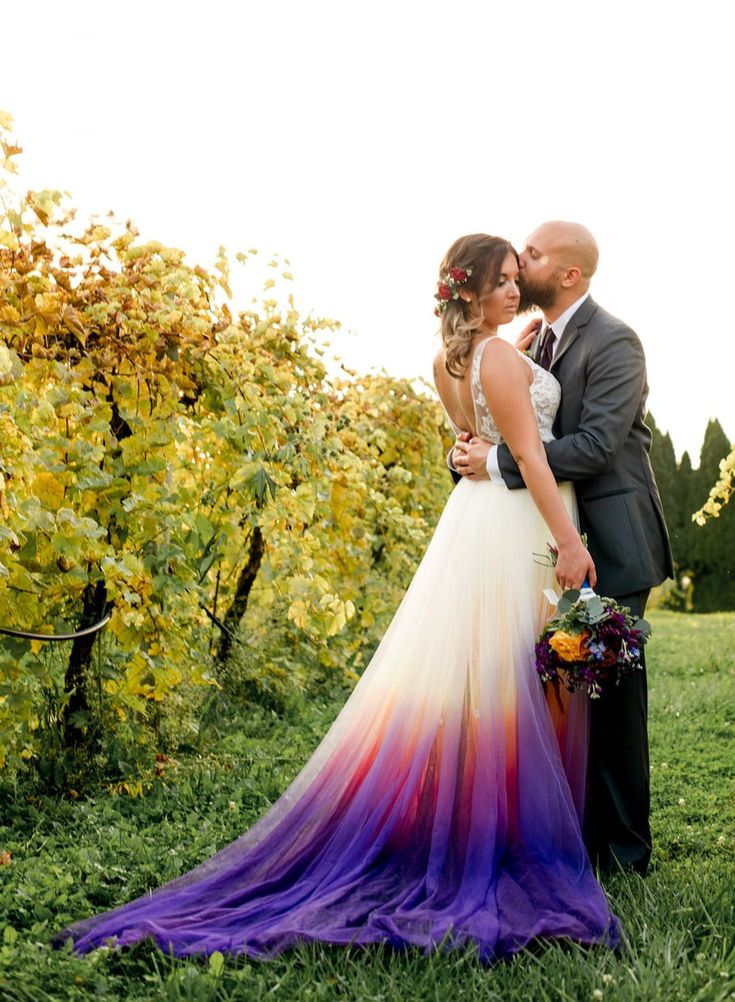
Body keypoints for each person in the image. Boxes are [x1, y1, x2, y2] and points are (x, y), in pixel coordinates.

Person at [57, 234, 620, 961]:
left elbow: (468, 440)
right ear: (472, 292)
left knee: (485, 682)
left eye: (519, 279)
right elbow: (531, 457)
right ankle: (510, 842)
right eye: (504, 282)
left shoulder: (447, 361)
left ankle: (479, 826)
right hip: (517, 525)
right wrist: (568, 544)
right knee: (522, 682)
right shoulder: (505, 357)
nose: (515, 292)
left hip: (473, 523)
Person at [452, 221, 674, 876]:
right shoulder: (532, 341)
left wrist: (495, 460)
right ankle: (577, 836)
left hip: (613, 541)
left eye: (535, 254)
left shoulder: (613, 341)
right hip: (553, 539)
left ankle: (626, 853)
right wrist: (469, 451)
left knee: (610, 698)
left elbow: (595, 446)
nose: (522, 260)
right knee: (566, 692)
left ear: (569, 274)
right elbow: (515, 416)